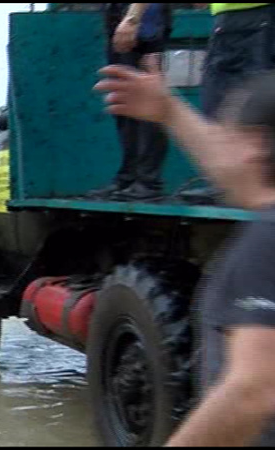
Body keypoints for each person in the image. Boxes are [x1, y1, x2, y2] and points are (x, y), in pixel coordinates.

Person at [95, 58, 275, 446]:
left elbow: (252, 391)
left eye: (227, 133)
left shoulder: (265, 241)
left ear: (255, 146)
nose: (218, 143)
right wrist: (170, 111)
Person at [180, 2, 274, 203]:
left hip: (260, 14)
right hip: (227, 16)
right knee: (217, 95)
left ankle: (263, 183)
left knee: (258, 99)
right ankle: (222, 183)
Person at [87, 3, 171, 201]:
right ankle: (129, 177)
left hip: (144, 18)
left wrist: (132, 18)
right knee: (125, 103)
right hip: (121, 15)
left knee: (145, 103)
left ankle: (148, 181)